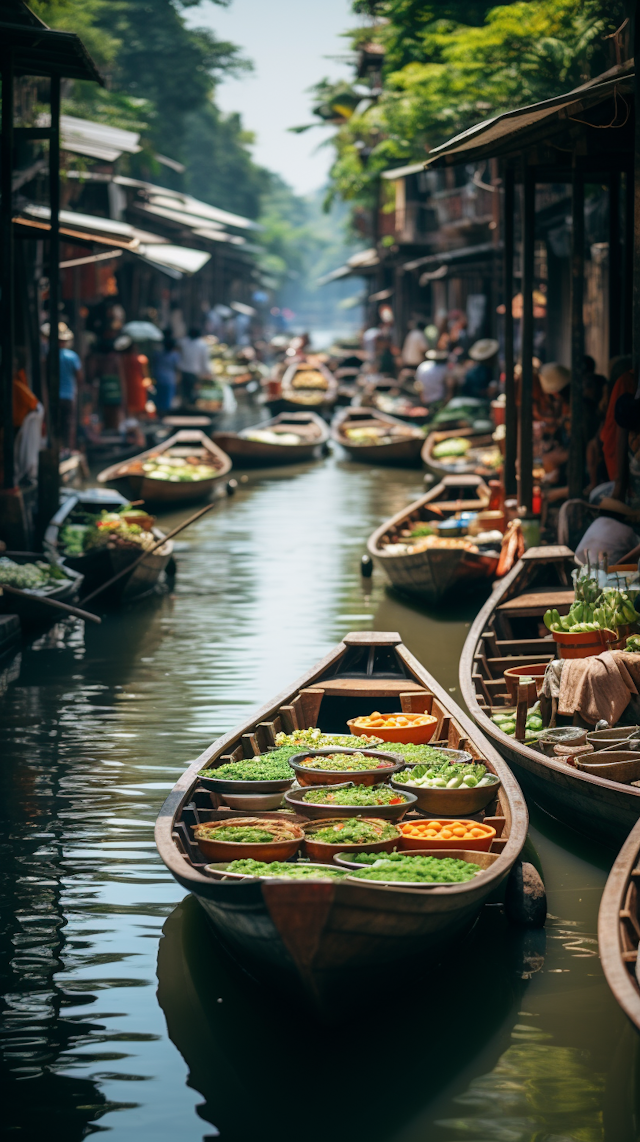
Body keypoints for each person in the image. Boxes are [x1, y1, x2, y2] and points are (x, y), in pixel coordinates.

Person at [40, 321, 82, 452]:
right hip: (68, 395)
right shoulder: (72, 356)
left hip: (53, 397)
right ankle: (67, 449)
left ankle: (57, 448)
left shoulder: (48, 356)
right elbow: (80, 377)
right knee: (68, 424)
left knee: (55, 423)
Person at [177, 326, 212, 405]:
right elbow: (205, 360)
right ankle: (190, 405)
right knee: (193, 391)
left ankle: (185, 405)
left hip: (184, 371)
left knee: (185, 391)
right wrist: (207, 371)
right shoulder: (202, 345)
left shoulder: (183, 342)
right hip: (194, 372)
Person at [118, 335, 151, 417]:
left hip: (126, 383)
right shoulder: (141, 359)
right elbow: (145, 374)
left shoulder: (122, 359)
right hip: (138, 384)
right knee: (139, 404)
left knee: (129, 404)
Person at [153, 333, 181, 416]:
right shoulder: (175, 355)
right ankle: (165, 415)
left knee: (159, 398)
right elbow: (177, 367)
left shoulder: (158, 354)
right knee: (167, 399)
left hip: (159, 377)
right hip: (169, 379)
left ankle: (159, 415)